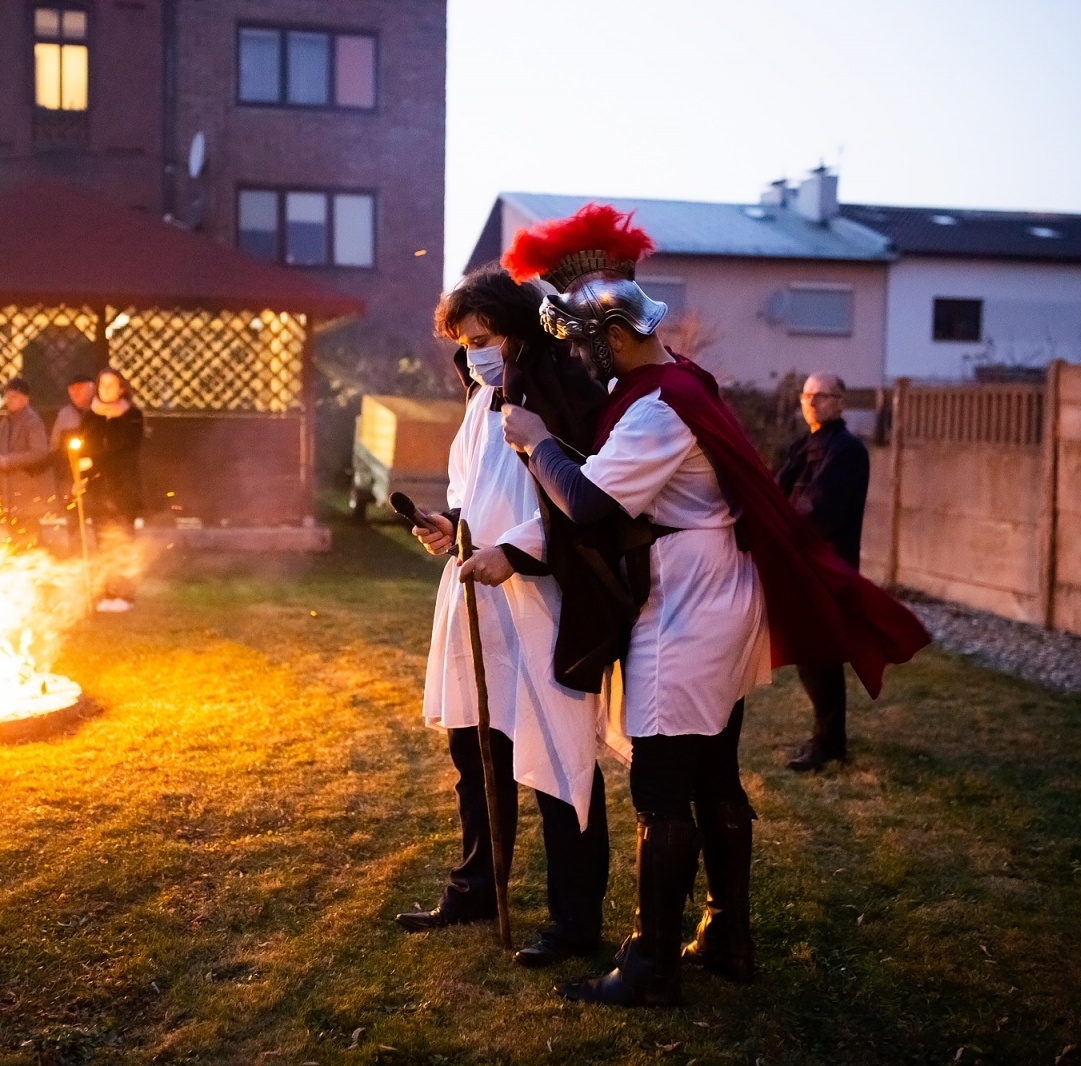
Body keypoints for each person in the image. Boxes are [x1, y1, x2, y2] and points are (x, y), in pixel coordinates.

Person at [495, 204, 929, 1006]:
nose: (588, 364)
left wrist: (533, 440)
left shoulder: (659, 403)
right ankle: (728, 936)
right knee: (713, 774)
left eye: (590, 347)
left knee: (663, 789)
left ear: (615, 333)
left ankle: (651, 965)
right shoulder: (680, 382)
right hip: (715, 593)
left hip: (691, 606)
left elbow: (590, 502)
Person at [395, 266, 613, 967]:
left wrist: (517, 555)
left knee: (556, 756)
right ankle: (475, 888)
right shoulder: (480, 400)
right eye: (465, 342)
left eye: (485, 338)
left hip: (540, 605)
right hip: (477, 603)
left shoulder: (562, 396)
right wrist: (447, 525)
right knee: (476, 752)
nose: (475, 352)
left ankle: (574, 923)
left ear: (517, 330)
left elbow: (590, 506)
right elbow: (477, 493)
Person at [777, 372, 871, 772]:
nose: (812, 402)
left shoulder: (846, 450)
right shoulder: (805, 446)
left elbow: (819, 509)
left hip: (826, 566)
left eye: (822, 396)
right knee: (811, 654)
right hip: (802, 565)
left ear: (840, 402)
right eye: (807, 395)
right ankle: (828, 738)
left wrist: (781, 531)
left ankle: (829, 742)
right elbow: (777, 490)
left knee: (820, 655)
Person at [79, 367, 143, 611]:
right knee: (104, 542)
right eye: (102, 384)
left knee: (123, 540)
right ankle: (107, 592)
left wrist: (94, 463)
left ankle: (124, 595)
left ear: (121, 388)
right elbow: (82, 446)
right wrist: (82, 473)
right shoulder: (90, 416)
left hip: (123, 489)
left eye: (111, 385)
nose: (105, 389)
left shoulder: (132, 416)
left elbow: (126, 451)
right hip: (98, 490)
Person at [0, 376, 56, 542]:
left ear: (25, 399)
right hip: (9, 494)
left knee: (29, 537)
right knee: (15, 537)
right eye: (8, 396)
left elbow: (39, 452)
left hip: (28, 492)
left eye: (15, 396)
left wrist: (10, 460)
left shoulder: (33, 422)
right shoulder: (5, 423)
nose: (10, 400)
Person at [49, 372, 95, 551]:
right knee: (74, 521)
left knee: (101, 521)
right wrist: (67, 478)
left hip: (96, 479)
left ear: (91, 388)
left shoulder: (99, 412)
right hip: (71, 480)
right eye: (72, 390)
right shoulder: (64, 415)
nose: (75, 393)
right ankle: (76, 559)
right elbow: (55, 449)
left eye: (80, 389)